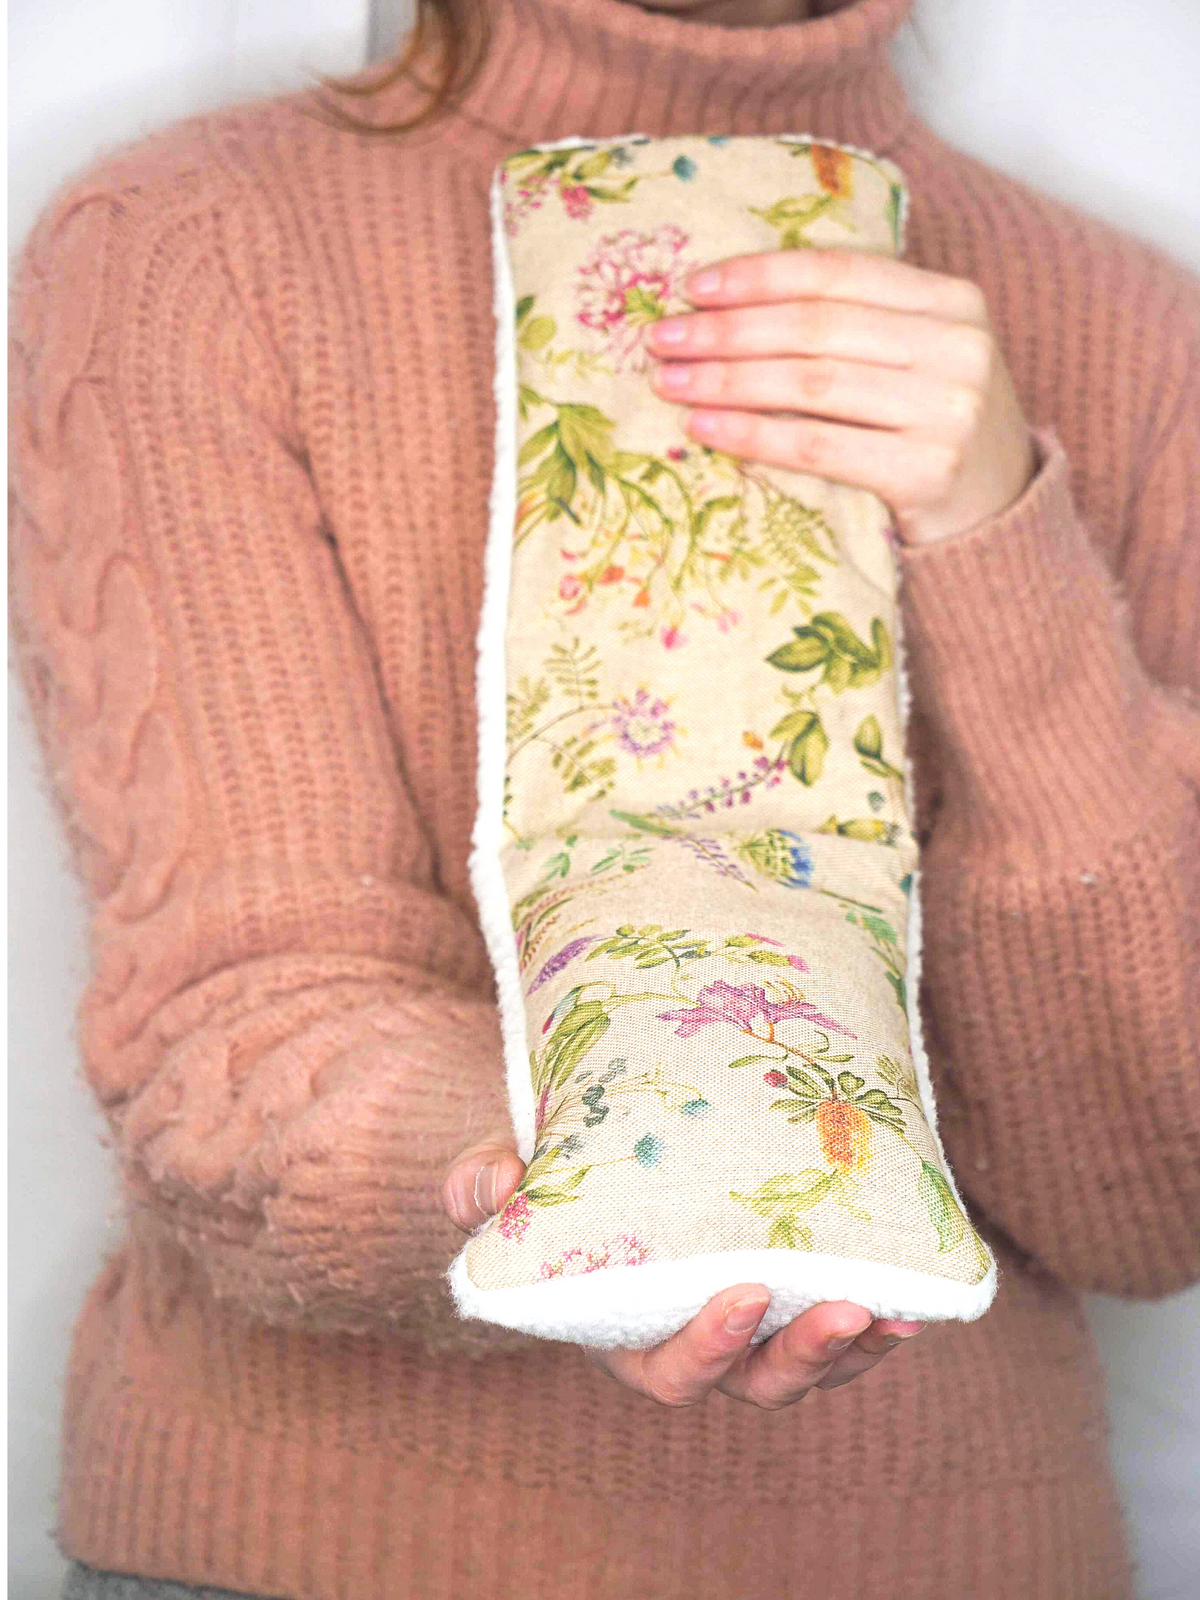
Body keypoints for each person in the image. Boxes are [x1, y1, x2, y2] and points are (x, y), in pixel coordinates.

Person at [9, 0, 1198, 1595]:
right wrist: (602, 1185)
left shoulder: (1129, 329)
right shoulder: (190, 246)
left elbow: (1148, 1207)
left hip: (947, 1553)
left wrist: (1002, 547)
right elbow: (233, 1027)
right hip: (310, 1547)